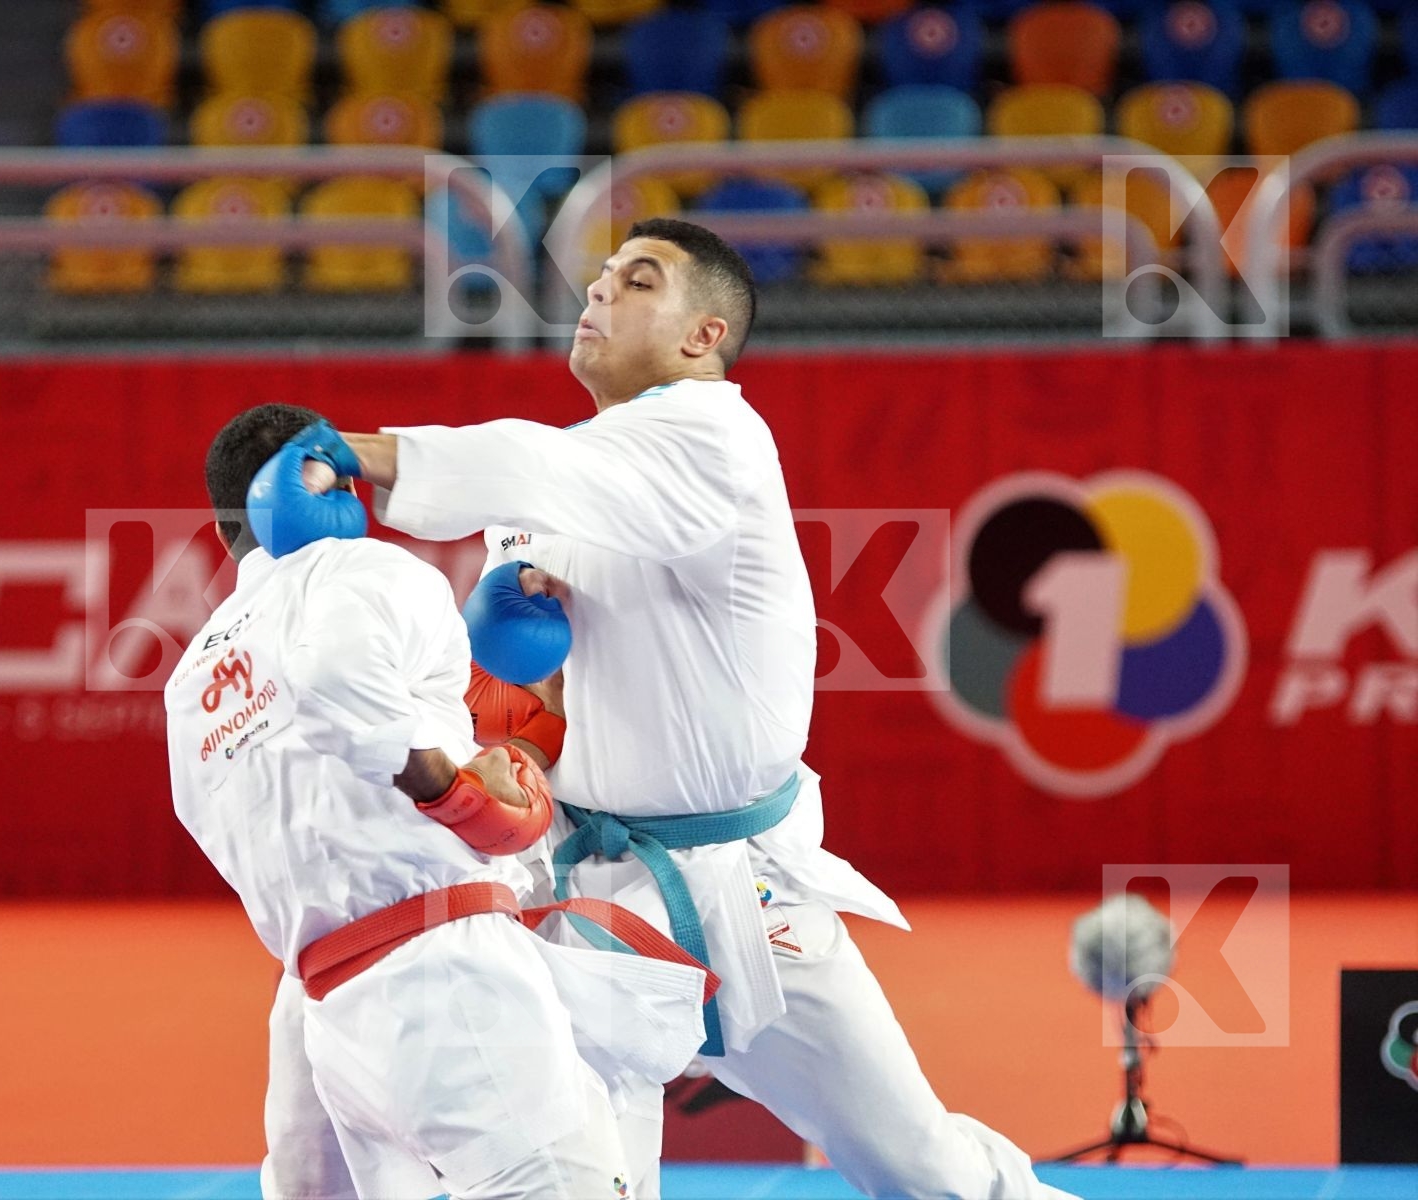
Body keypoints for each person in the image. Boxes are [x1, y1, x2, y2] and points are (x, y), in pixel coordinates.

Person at [260, 220, 1075, 1200]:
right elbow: (536, 682)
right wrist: (511, 638)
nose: (598, 294)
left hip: (743, 886)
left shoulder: (715, 435)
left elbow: (538, 467)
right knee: (583, 1162)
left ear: (704, 337)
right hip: (593, 884)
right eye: (598, 279)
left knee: (924, 1171)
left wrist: (357, 455)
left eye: (637, 281)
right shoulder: (574, 473)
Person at [165, 403, 713, 1200]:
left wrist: (524, 745)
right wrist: (451, 792)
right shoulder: (367, 573)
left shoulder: (190, 688)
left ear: (221, 533)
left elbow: (252, 814)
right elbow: (337, 690)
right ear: (339, 484)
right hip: (446, 979)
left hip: (325, 1008)